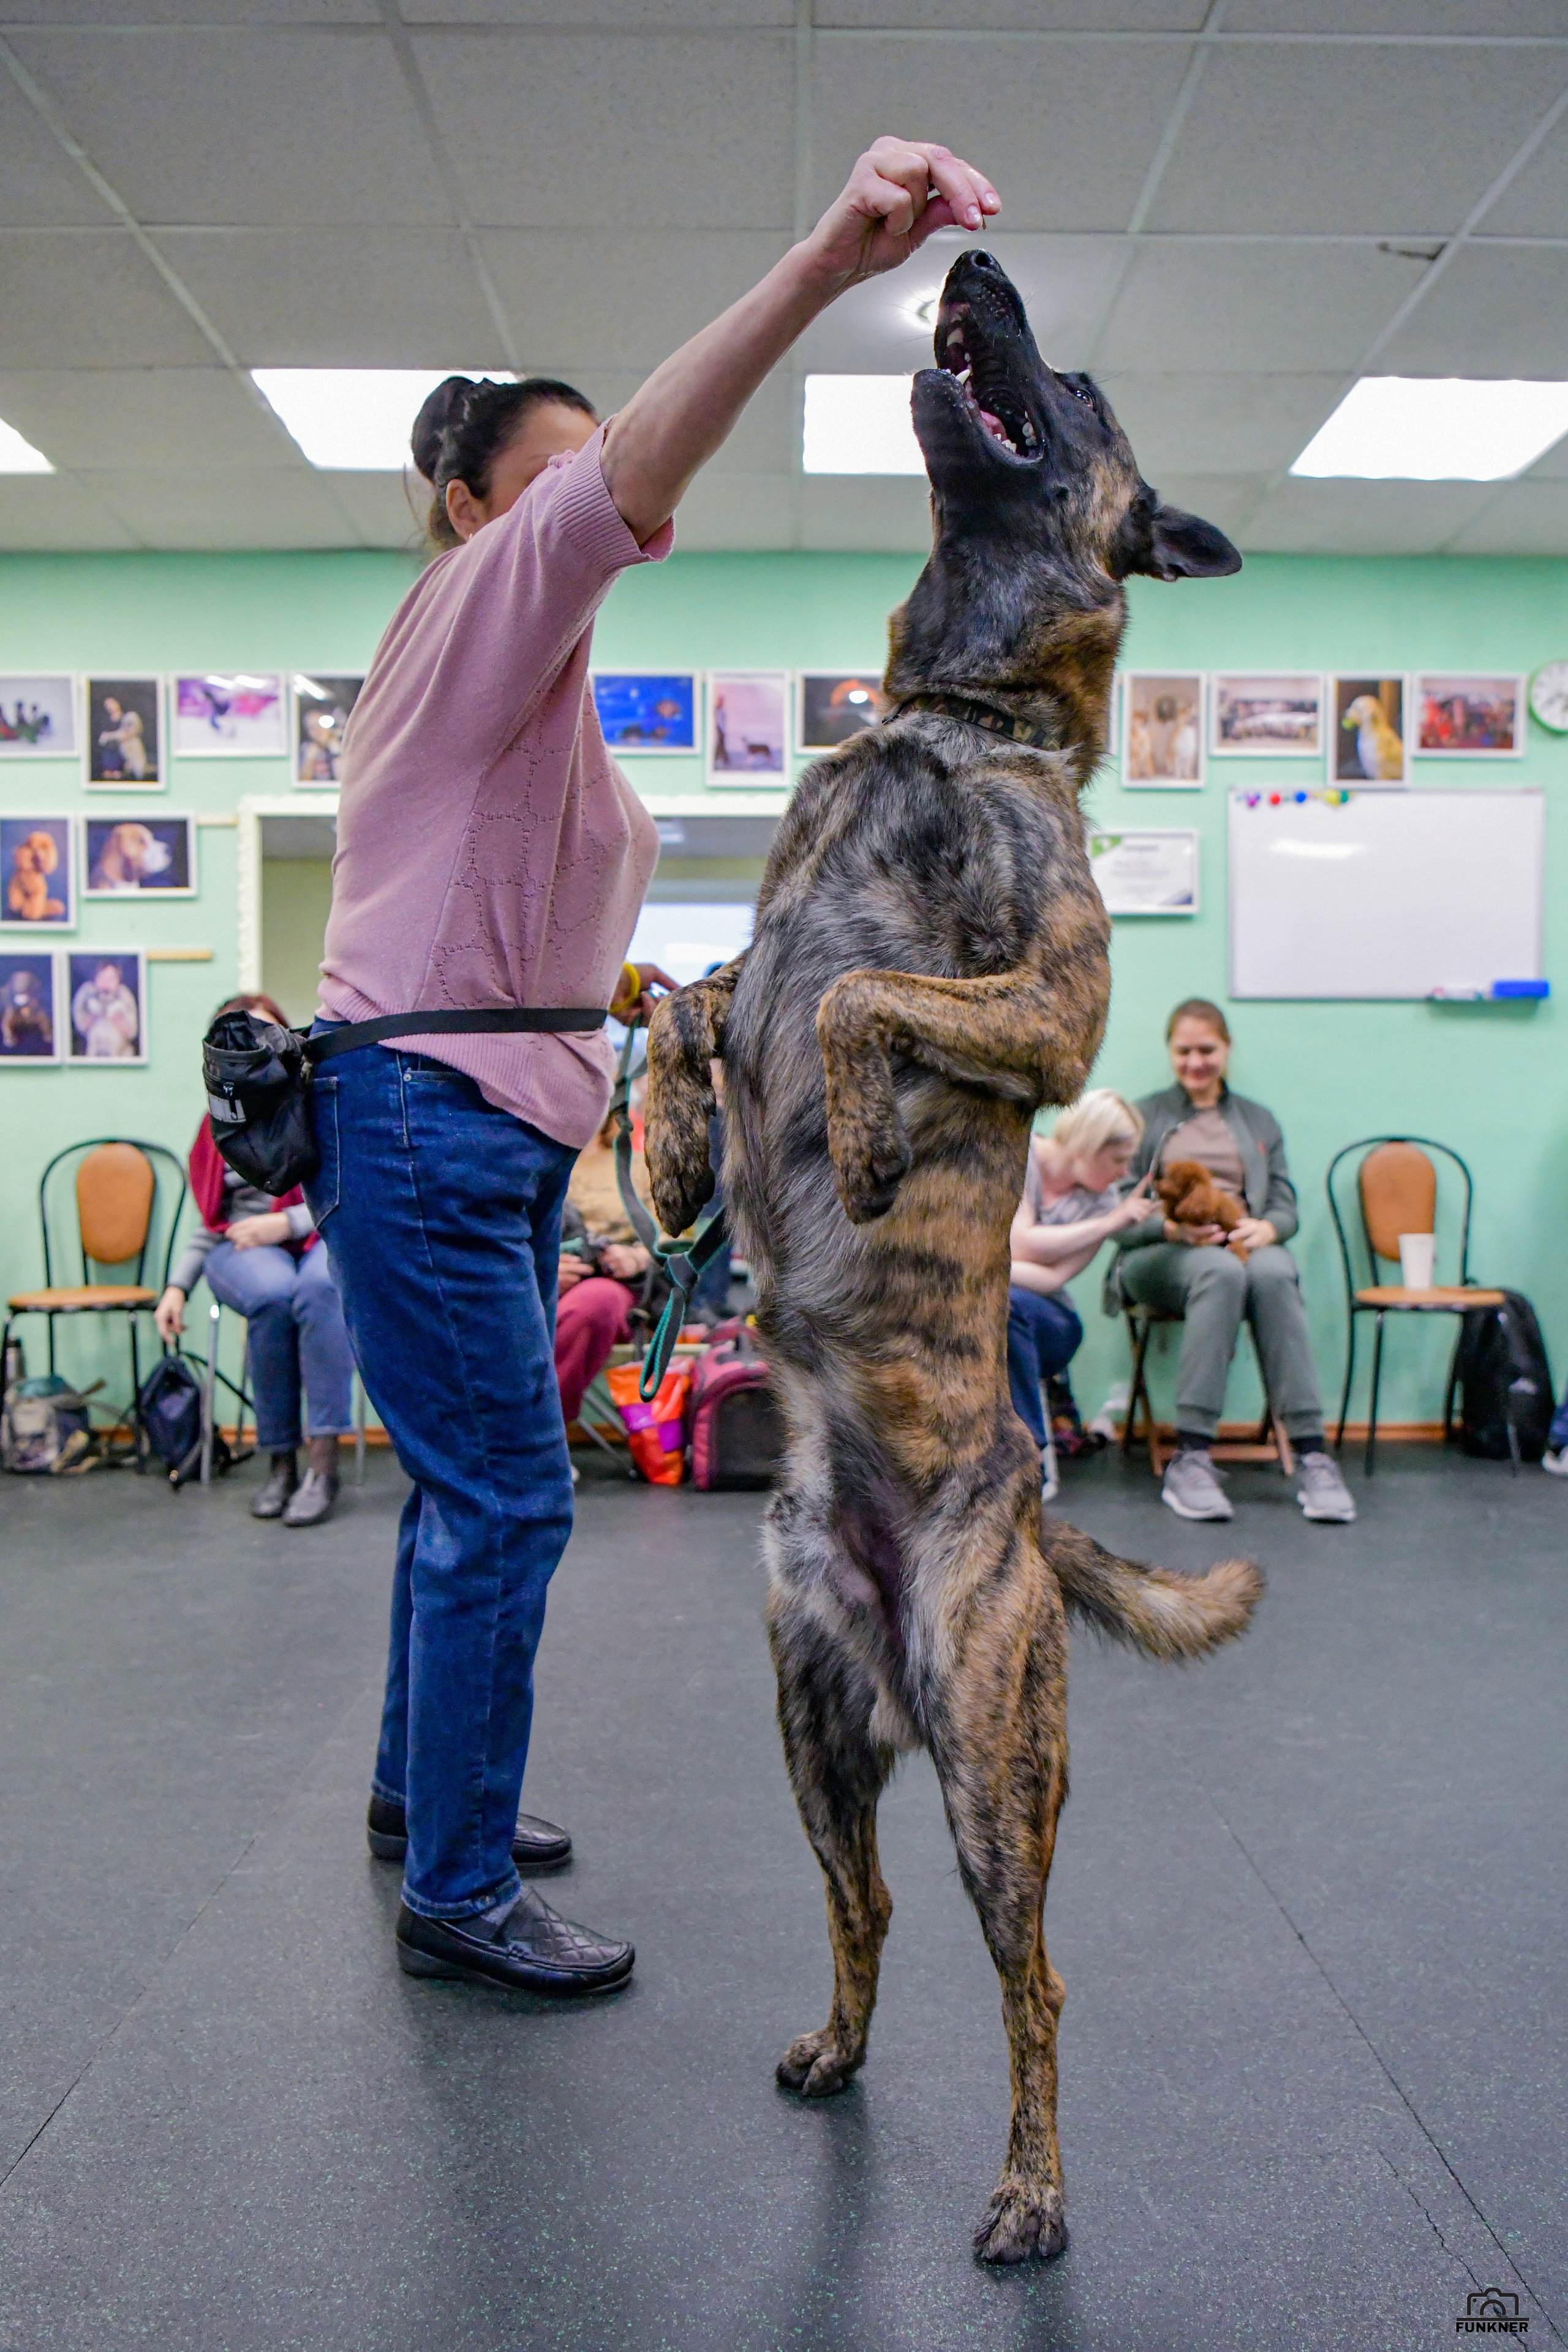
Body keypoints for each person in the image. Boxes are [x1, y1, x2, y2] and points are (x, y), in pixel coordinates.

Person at [303, 137, 1003, 2001]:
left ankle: (419, 1793)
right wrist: (816, 265)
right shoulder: (482, 610)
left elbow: (505, 924)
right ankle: (455, 1888)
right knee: (511, 1498)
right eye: (556, 481)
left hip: (485, 1117)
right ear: (468, 510)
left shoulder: (524, 689)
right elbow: (618, 486)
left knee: (466, 1486)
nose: (614, 502)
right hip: (430, 1122)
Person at [1112, 998, 1357, 1526]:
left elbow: (1285, 1204)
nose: (1195, 1061)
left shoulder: (1258, 1120)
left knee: (1273, 1271)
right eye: (1184, 1051)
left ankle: (1314, 1453)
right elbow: (1117, 1207)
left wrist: (1268, 1228)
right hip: (1158, 1254)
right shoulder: (1147, 1116)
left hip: (1243, 1246)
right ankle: (1192, 1457)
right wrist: (1171, 1227)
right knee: (1221, 1272)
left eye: (1207, 1050)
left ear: (1226, 1050)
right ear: (1169, 1053)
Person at [154, 993, 356, 1527]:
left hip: (316, 1235)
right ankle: (280, 1462)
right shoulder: (217, 1124)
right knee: (271, 1295)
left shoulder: (316, 1105)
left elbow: (345, 1193)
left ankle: (323, 1465)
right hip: (241, 1248)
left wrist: (285, 1224)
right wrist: (175, 1288)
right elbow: (211, 1221)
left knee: (319, 1289)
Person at [1009, 1091, 1153, 1502]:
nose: (1124, 1172)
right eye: (1119, 1159)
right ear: (1091, 1145)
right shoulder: (1020, 1152)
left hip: (1054, 1323)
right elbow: (1021, 1244)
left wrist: (986, 1270)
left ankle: (1032, 1458)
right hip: (998, 1307)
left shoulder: (1105, 1201)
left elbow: (1053, 1278)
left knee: (1010, 1305)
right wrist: (1107, 1224)